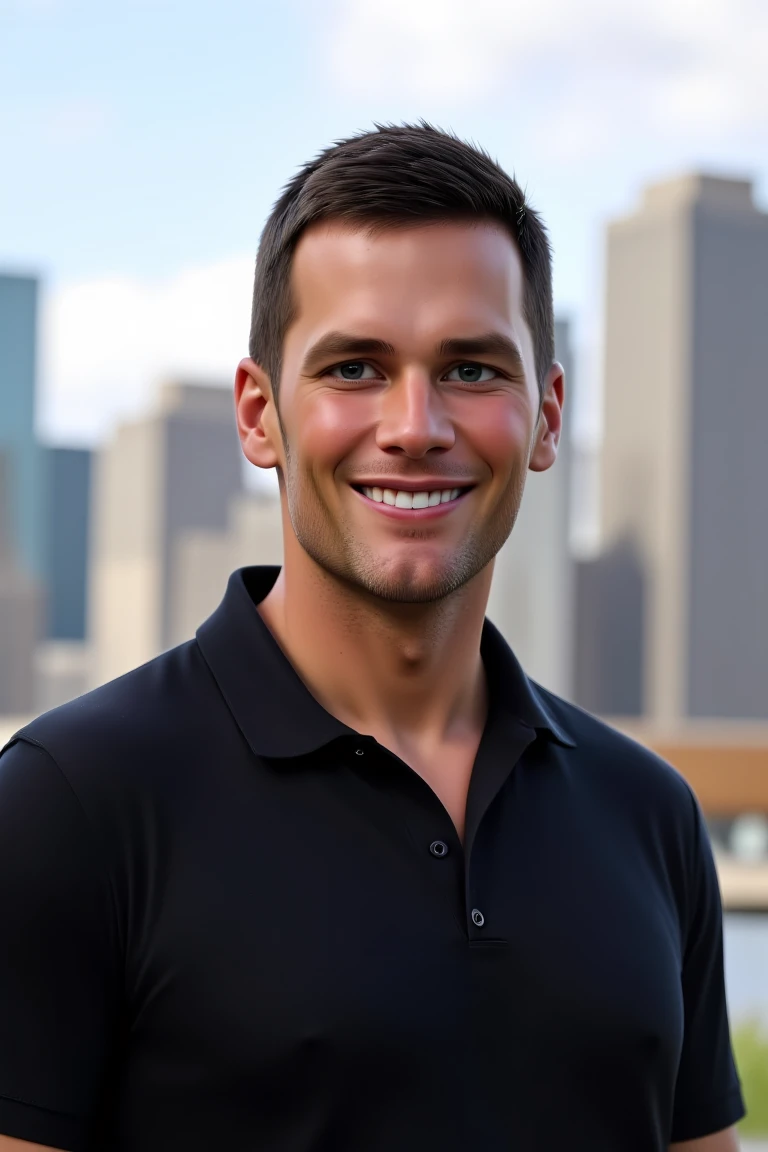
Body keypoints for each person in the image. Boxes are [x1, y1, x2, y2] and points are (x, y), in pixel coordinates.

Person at [0, 123, 745, 1152]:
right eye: (354, 366)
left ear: (546, 417)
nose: (414, 424)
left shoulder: (649, 816)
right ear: (261, 416)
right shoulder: (72, 802)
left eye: (473, 370)